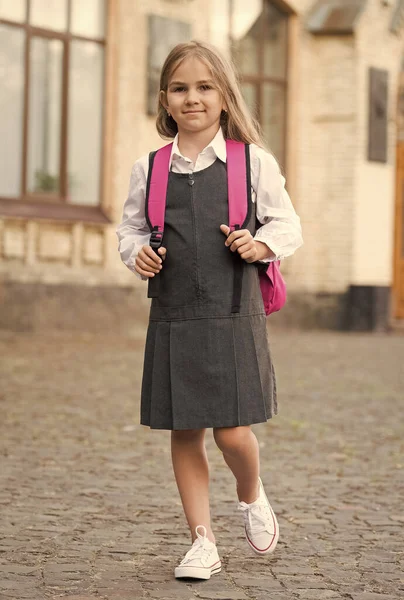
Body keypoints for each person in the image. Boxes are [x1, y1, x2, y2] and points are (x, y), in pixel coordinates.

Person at [116, 40, 303, 580]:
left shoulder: (252, 162)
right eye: (180, 88)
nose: (192, 98)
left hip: (232, 309)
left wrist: (259, 245)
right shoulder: (148, 168)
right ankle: (202, 541)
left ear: (224, 96)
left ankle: (251, 493)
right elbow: (129, 230)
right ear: (165, 99)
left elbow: (287, 224)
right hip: (174, 312)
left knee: (231, 432)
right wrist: (138, 254)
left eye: (204, 87)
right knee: (185, 430)